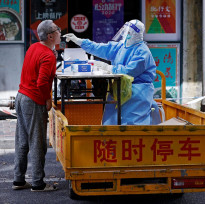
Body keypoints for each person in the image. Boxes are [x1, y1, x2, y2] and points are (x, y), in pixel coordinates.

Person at [63, 19, 157, 125]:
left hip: (137, 93)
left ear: (135, 34)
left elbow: (129, 71)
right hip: (120, 88)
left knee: (133, 125)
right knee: (112, 121)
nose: (125, 34)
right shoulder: (122, 46)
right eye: (125, 31)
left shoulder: (142, 52)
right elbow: (101, 48)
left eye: (128, 32)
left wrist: (108, 68)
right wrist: (79, 41)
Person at [13, 20, 60, 192]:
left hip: (21, 96)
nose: (60, 33)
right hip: (33, 100)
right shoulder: (48, 55)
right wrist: (47, 100)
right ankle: (38, 183)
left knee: (22, 141)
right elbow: (41, 83)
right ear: (50, 36)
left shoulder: (33, 47)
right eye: (57, 30)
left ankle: (18, 180)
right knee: (37, 143)